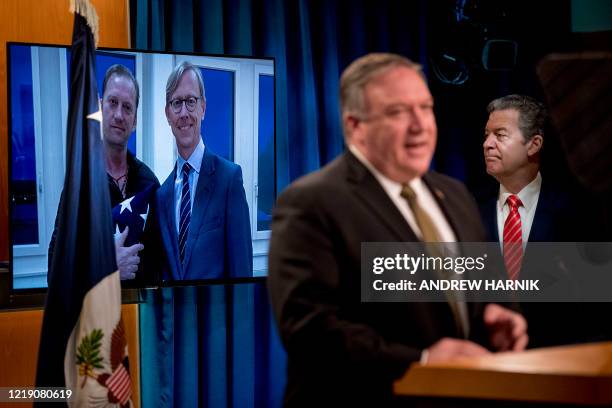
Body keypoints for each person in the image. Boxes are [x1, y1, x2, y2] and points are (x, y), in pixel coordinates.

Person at [267, 53, 528, 406]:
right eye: (398, 112)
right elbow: (310, 331)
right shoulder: (310, 202)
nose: (420, 125)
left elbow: (482, 283)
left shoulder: (454, 193)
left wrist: (495, 313)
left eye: (425, 107)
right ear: (354, 126)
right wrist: (421, 362)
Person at [481, 94, 589, 347]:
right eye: (486, 135)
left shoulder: (578, 211)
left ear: (534, 144)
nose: (487, 144)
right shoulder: (468, 208)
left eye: (500, 135)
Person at [49, 64, 159, 283]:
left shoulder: (149, 183)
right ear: (100, 108)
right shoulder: (78, 183)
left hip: (140, 314)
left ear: (135, 120)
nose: (119, 114)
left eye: (127, 107)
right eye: (113, 102)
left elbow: (158, 264)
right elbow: (55, 271)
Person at [155, 61, 252, 280]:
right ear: (167, 114)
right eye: (176, 103)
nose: (184, 113)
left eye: (190, 101)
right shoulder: (162, 196)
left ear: (203, 108)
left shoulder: (229, 179)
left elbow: (242, 274)